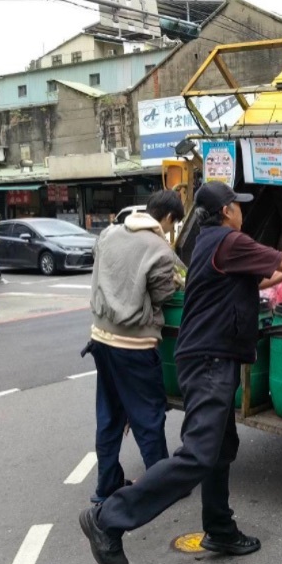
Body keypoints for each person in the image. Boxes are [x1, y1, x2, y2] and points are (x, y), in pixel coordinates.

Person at [79, 181, 282, 564]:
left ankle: (219, 528)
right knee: (198, 454)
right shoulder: (228, 241)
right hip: (210, 360)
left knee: (219, 449)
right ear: (227, 211)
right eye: (238, 205)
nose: (242, 211)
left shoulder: (211, 245)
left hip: (212, 359)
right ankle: (109, 518)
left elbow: (262, 278)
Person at [83, 190, 185, 505]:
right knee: (148, 416)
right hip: (135, 346)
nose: (171, 230)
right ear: (167, 218)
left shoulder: (109, 233)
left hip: (101, 339)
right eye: (173, 224)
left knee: (110, 415)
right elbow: (162, 296)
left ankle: (106, 486)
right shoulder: (159, 249)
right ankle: (161, 487)